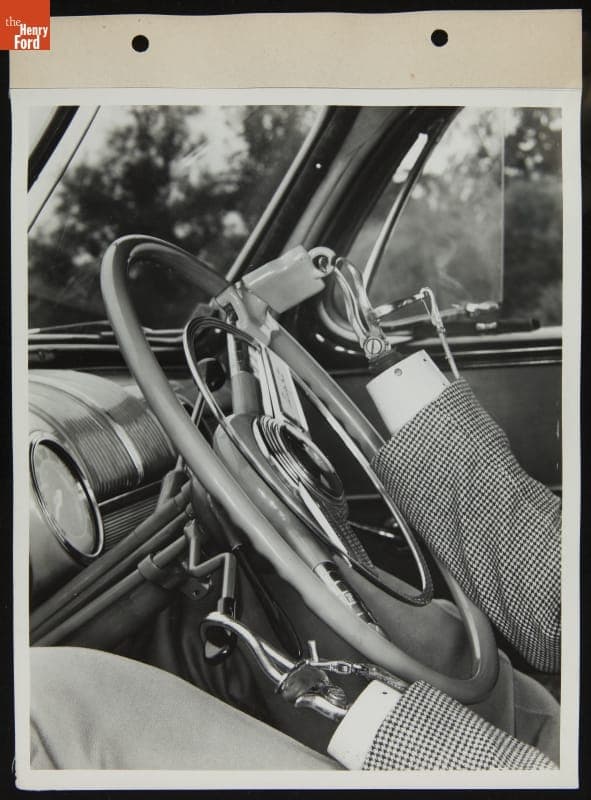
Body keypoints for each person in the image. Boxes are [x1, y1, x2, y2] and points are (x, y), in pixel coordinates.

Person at [29, 356, 561, 771]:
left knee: (40, 700)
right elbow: (555, 603)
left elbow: (547, 609)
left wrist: (375, 719)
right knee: (445, 637)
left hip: (481, 767)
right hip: (543, 734)